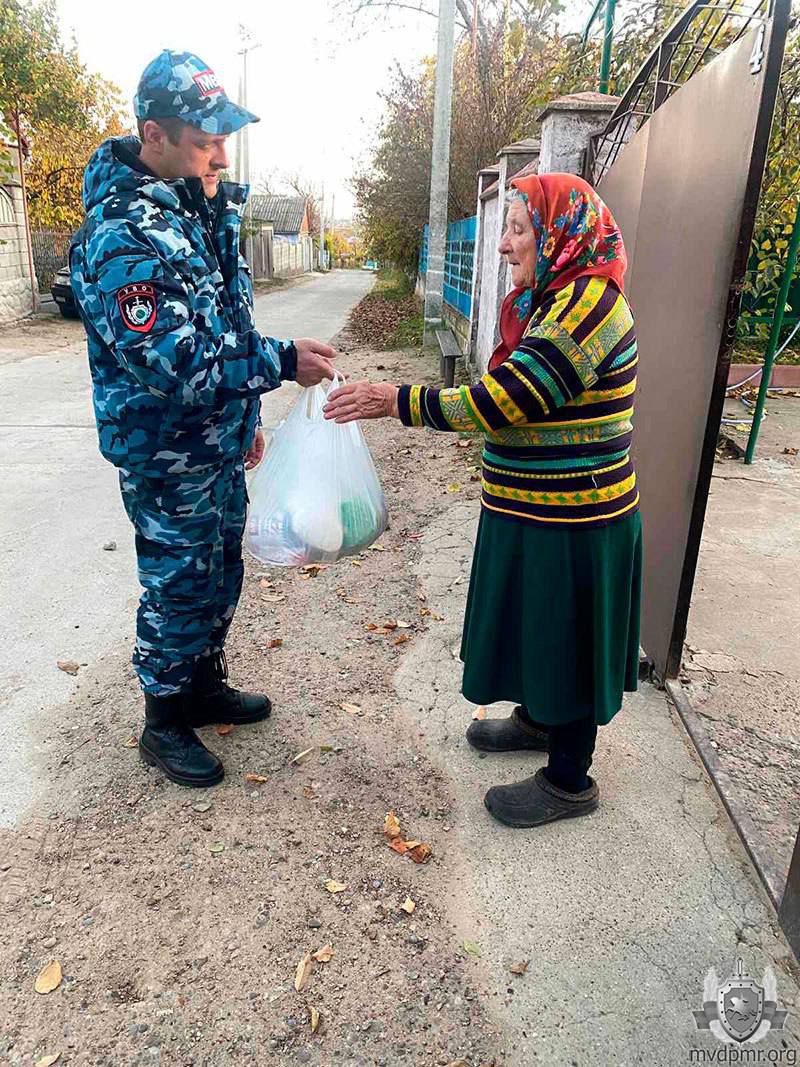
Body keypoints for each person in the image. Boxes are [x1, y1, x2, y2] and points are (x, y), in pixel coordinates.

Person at [324, 173, 642, 829]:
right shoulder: (552, 299)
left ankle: (569, 779)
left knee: (568, 635)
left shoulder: (589, 303)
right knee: (538, 624)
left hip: (576, 519)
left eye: (520, 229)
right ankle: (537, 718)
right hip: (538, 512)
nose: (505, 247)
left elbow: (510, 398)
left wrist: (400, 401)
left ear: (561, 234)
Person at [70, 50, 336, 789]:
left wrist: (247, 414)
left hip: (212, 444)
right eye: (204, 139)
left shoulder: (191, 208)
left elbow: (227, 316)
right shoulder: (122, 233)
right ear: (153, 135)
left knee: (220, 569)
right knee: (178, 581)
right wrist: (280, 364)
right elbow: (180, 361)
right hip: (164, 451)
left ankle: (203, 682)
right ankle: (163, 717)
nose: (220, 152)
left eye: (224, 138)